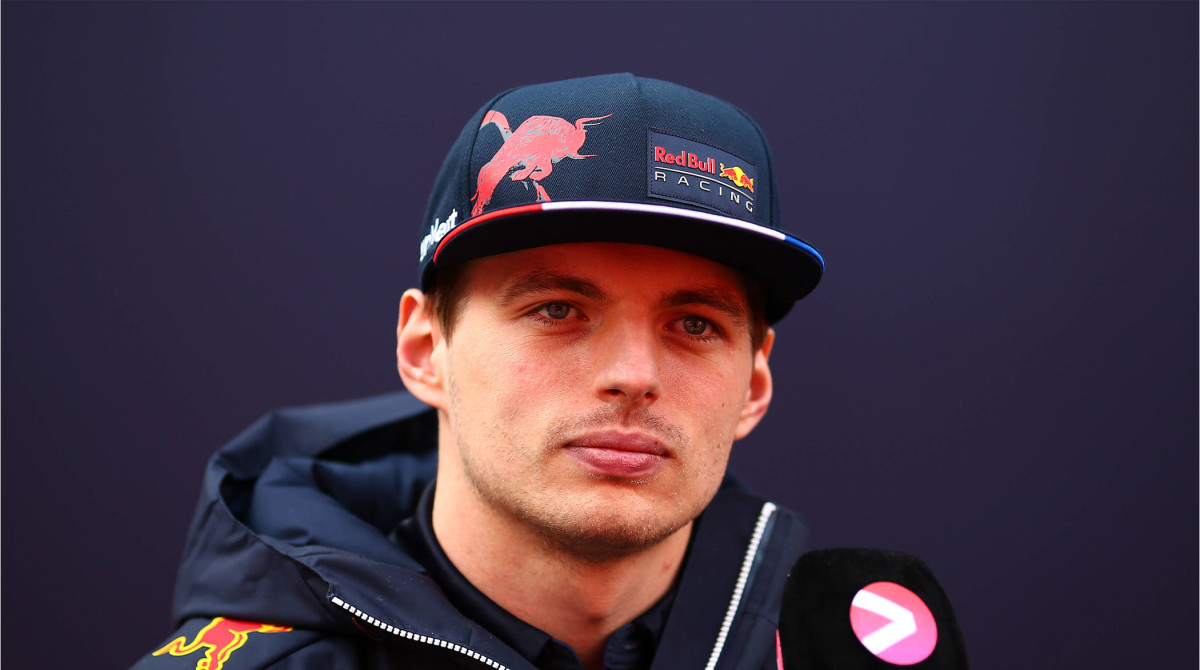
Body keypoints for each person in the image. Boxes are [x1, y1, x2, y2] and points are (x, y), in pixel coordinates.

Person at [133, 73, 824, 670]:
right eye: (558, 309)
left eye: (696, 325)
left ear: (754, 386)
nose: (632, 375)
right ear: (425, 350)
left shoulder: (851, 648)